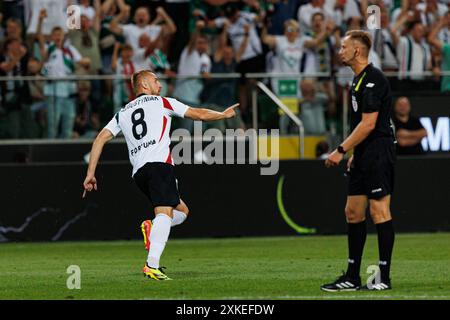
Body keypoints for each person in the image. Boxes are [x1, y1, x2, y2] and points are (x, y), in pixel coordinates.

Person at [82, 70, 239, 281]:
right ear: (145, 86)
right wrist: (222, 115)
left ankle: (152, 228)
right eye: (156, 81)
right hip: (158, 165)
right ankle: (151, 265)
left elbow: (99, 139)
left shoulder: (123, 112)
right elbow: (198, 114)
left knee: (182, 211)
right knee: (164, 213)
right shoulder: (161, 102)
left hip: (139, 172)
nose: (160, 85)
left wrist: (90, 174)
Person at [322, 30, 396, 292]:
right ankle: (352, 276)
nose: (339, 51)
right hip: (363, 154)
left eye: (343, 47)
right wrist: (354, 154)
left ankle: (383, 277)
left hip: (378, 151)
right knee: (352, 212)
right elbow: (360, 126)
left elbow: (369, 124)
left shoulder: (374, 79)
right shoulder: (357, 80)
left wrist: (341, 150)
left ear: (357, 51)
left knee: (379, 212)